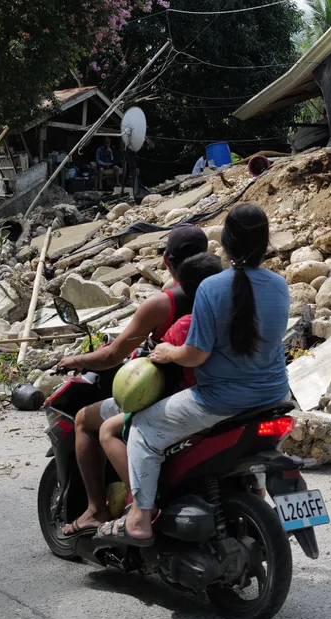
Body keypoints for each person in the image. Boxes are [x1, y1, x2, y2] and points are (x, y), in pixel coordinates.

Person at [96, 203, 290, 546]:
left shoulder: (211, 289)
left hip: (220, 401)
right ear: (266, 242)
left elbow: (196, 354)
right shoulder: (279, 285)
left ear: (225, 242)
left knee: (141, 429)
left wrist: (167, 353)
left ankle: (139, 517)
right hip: (275, 397)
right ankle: (254, 499)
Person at [54, 225, 208, 537]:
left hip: (170, 397)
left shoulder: (163, 304)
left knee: (85, 420)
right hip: (217, 390)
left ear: (165, 260)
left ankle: (99, 510)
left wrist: (75, 360)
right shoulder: (219, 295)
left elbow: (112, 356)